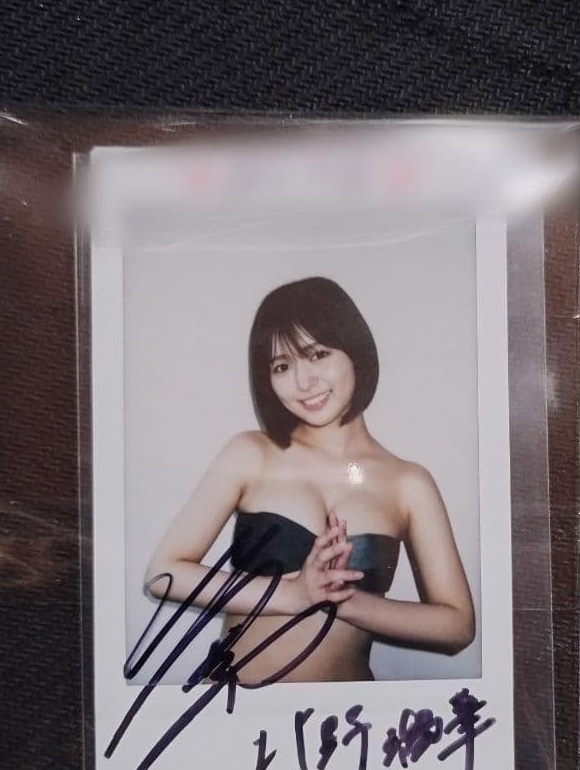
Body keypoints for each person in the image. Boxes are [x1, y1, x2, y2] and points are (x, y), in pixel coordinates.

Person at [145, 276, 475, 684]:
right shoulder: (251, 453)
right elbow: (164, 574)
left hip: (344, 716)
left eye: (318, 354)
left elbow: (457, 626)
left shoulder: (409, 483)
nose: (303, 382)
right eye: (282, 366)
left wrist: (345, 601)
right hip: (235, 706)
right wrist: (292, 594)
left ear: (355, 351)